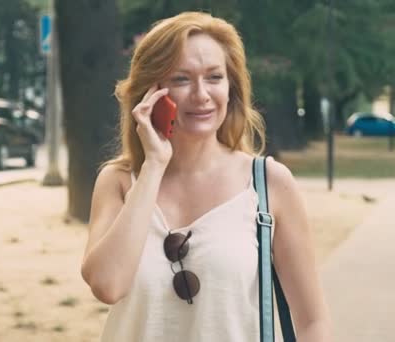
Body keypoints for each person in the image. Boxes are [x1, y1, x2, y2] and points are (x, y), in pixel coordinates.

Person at [81, 11, 332, 342]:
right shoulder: (119, 181)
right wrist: (154, 165)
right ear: (151, 93)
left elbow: (312, 322)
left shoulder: (269, 183)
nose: (201, 95)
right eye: (181, 79)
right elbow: (107, 284)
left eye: (214, 77)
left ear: (232, 88)